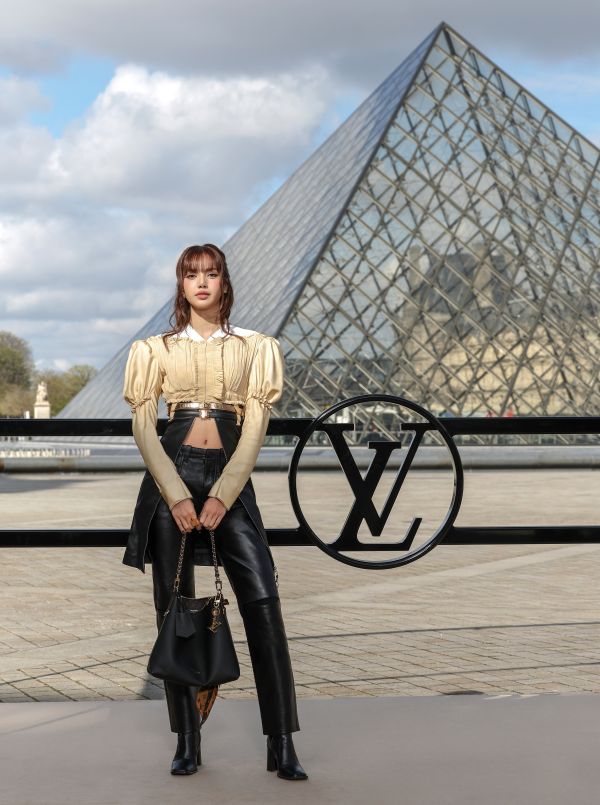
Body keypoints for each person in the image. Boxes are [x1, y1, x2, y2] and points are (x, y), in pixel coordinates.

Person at [122, 243, 307, 781]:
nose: (202, 282)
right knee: (172, 611)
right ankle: (186, 740)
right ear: (180, 285)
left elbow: (254, 428)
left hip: (231, 475)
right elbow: (143, 426)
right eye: (192, 274)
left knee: (264, 605)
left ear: (225, 282)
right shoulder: (153, 349)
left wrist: (224, 493)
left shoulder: (256, 347)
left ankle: (282, 742)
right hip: (171, 475)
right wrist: (177, 494)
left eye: (212, 273)